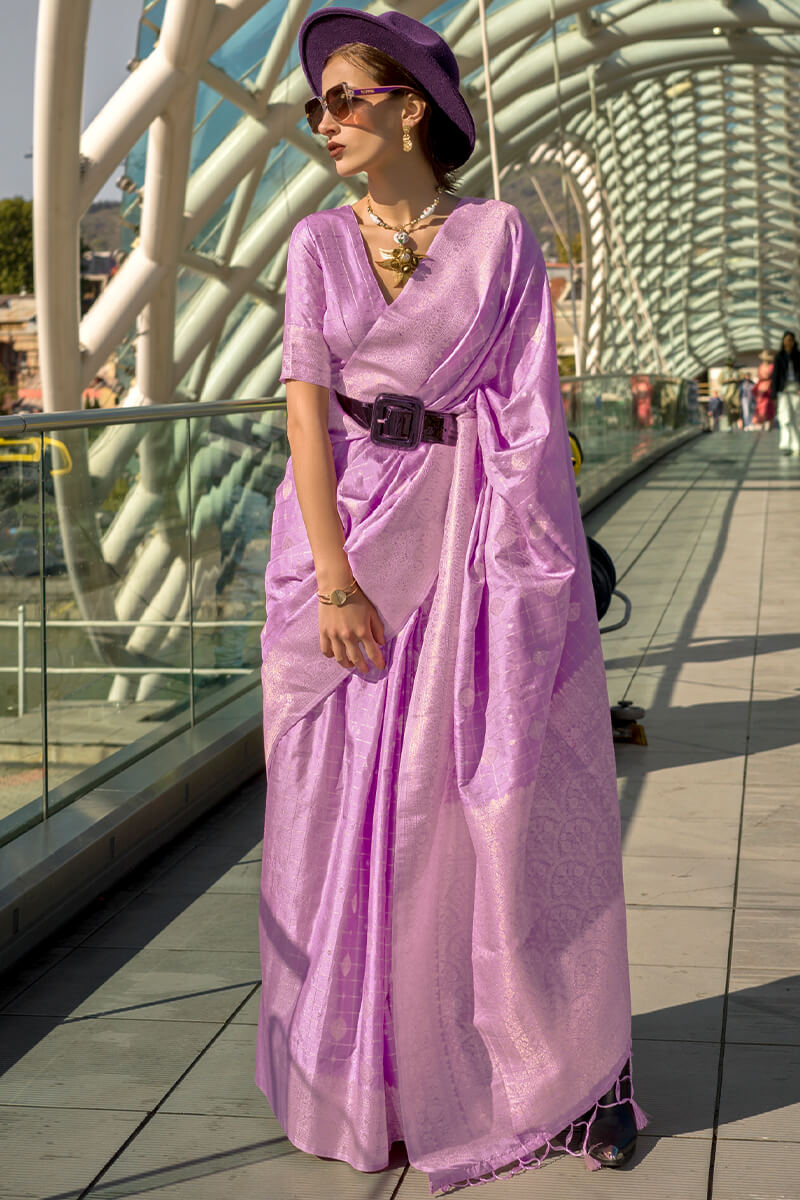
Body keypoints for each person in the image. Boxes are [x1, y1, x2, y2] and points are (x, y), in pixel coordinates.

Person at [256, 9, 646, 1195]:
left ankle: (566, 1075)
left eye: (341, 98)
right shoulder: (317, 244)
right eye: (314, 105)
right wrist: (333, 579)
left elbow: (529, 420)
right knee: (343, 814)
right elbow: (303, 420)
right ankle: (365, 1077)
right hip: (348, 546)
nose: (321, 122)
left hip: (473, 543)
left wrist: (520, 586)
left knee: (475, 814)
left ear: (408, 106)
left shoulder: (496, 239)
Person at [771, 331, 800, 455]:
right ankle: (786, 445)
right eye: (787, 339)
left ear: (794, 342)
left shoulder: (798, 356)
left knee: (796, 417)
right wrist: (774, 393)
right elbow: (775, 376)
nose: (789, 342)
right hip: (784, 390)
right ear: (783, 341)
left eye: (791, 340)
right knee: (785, 417)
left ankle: (796, 445)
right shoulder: (779, 357)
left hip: (796, 388)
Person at [754, 349, 775, 429]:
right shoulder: (760, 366)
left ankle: (769, 423)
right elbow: (759, 376)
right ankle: (761, 421)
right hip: (761, 387)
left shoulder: (772, 366)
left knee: (769, 405)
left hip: (770, 386)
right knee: (761, 404)